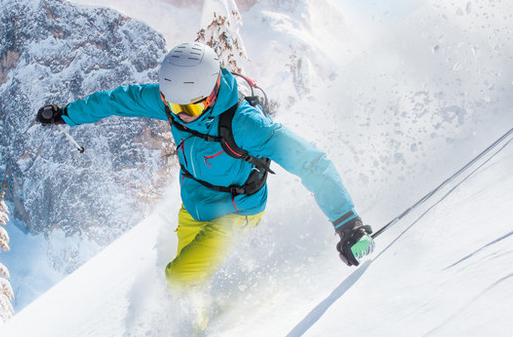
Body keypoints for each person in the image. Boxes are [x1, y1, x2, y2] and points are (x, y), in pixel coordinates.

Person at [36, 42, 373, 289]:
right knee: (185, 285)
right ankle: (192, 334)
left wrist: (348, 224)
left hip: (236, 214)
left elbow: (311, 161)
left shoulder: (245, 124)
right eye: (173, 106)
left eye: (192, 109)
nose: (182, 115)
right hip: (194, 208)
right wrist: (67, 114)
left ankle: (210, 328)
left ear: (211, 94)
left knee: (179, 276)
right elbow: (117, 100)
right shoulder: (174, 102)